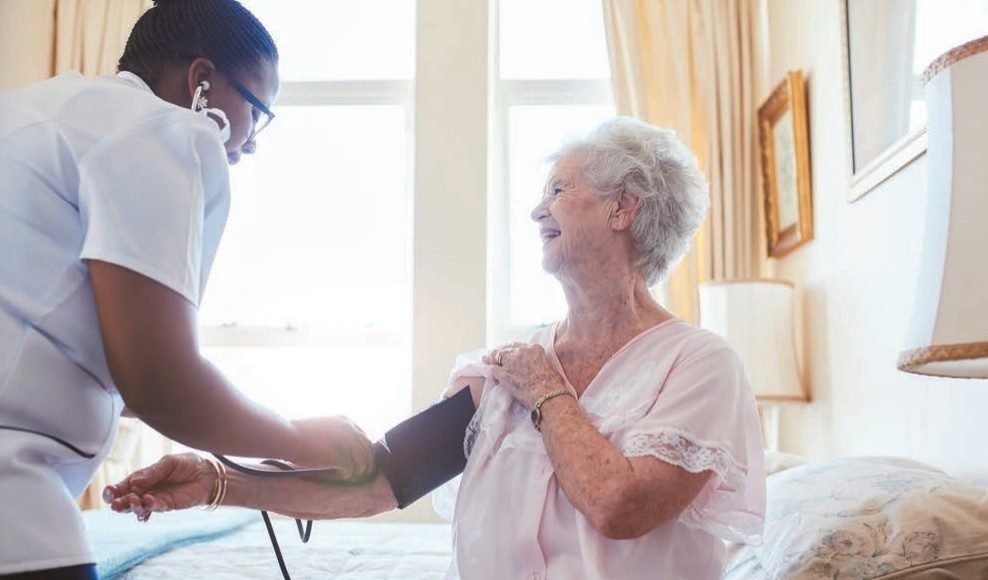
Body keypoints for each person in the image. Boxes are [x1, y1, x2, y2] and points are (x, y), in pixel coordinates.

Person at [106, 118, 766, 579]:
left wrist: (547, 391)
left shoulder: (700, 365)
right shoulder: (501, 372)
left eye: (559, 191)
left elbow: (621, 507)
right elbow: (381, 481)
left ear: (623, 207)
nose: (538, 211)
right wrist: (219, 484)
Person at [0, 1, 373, 577]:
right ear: (202, 83)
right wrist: (303, 440)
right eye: (259, 111)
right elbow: (161, 383)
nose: (251, 143)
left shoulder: (40, 111)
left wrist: (215, 472)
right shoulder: (162, 129)